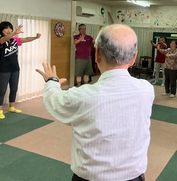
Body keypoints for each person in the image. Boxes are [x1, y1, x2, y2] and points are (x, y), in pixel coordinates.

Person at [36, 24, 154, 181]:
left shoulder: (83, 96)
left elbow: (54, 100)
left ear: (97, 53)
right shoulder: (146, 89)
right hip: (134, 177)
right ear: (134, 58)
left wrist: (51, 81)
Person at [0, 21, 41, 119]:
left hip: (15, 68)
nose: (9, 30)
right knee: (2, 90)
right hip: (4, 69)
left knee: (14, 88)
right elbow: (5, 38)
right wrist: (14, 32)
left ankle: (11, 107)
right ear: (1, 30)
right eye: (6, 28)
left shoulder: (14, 40)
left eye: (10, 28)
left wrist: (35, 37)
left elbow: (26, 39)